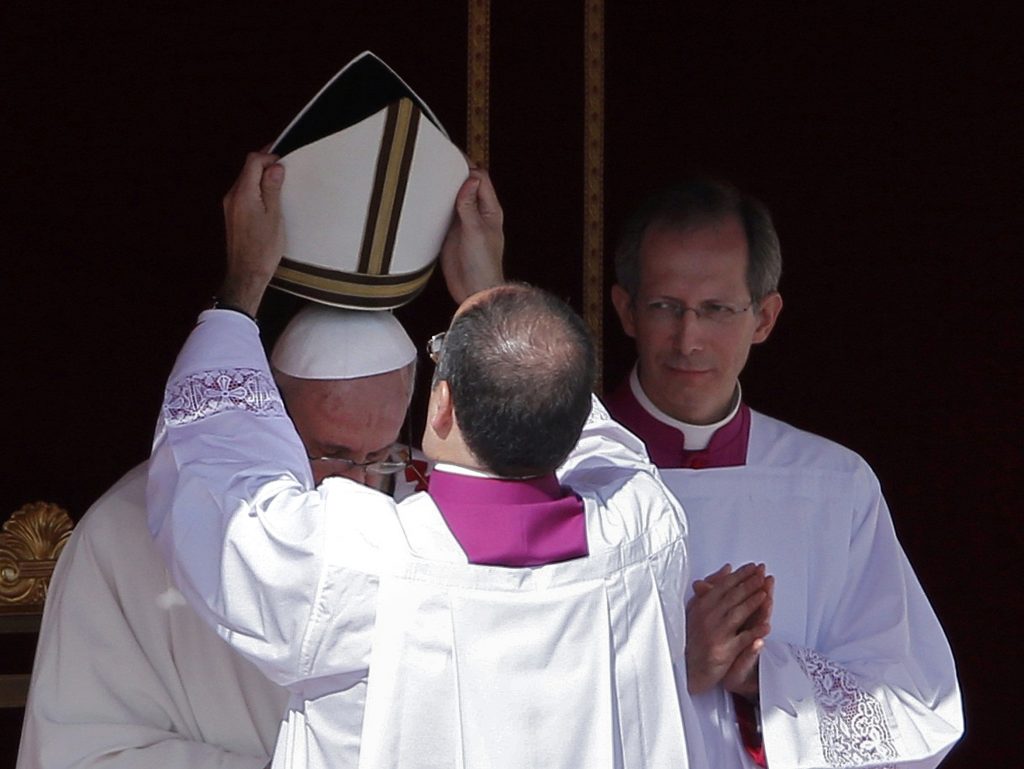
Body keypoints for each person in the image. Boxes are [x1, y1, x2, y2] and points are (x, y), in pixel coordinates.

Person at [145, 152, 707, 769]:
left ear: (440, 406)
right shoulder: (645, 531)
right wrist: (493, 294)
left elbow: (218, 484)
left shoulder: (353, 567)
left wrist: (241, 286)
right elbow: (592, 435)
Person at [16, 159, 504, 769]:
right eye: (331, 454)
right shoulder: (123, 533)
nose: (359, 484)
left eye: (380, 455)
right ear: (267, 419)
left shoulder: (432, 513)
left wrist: (488, 300)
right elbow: (84, 753)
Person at [605, 179, 964, 768]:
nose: (689, 338)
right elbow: (493, 688)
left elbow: (916, 705)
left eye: (717, 309)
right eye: (665, 306)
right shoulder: (562, 469)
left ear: (765, 317)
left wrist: (761, 674)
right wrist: (675, 664)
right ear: (626, 310)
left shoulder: (833, 486)